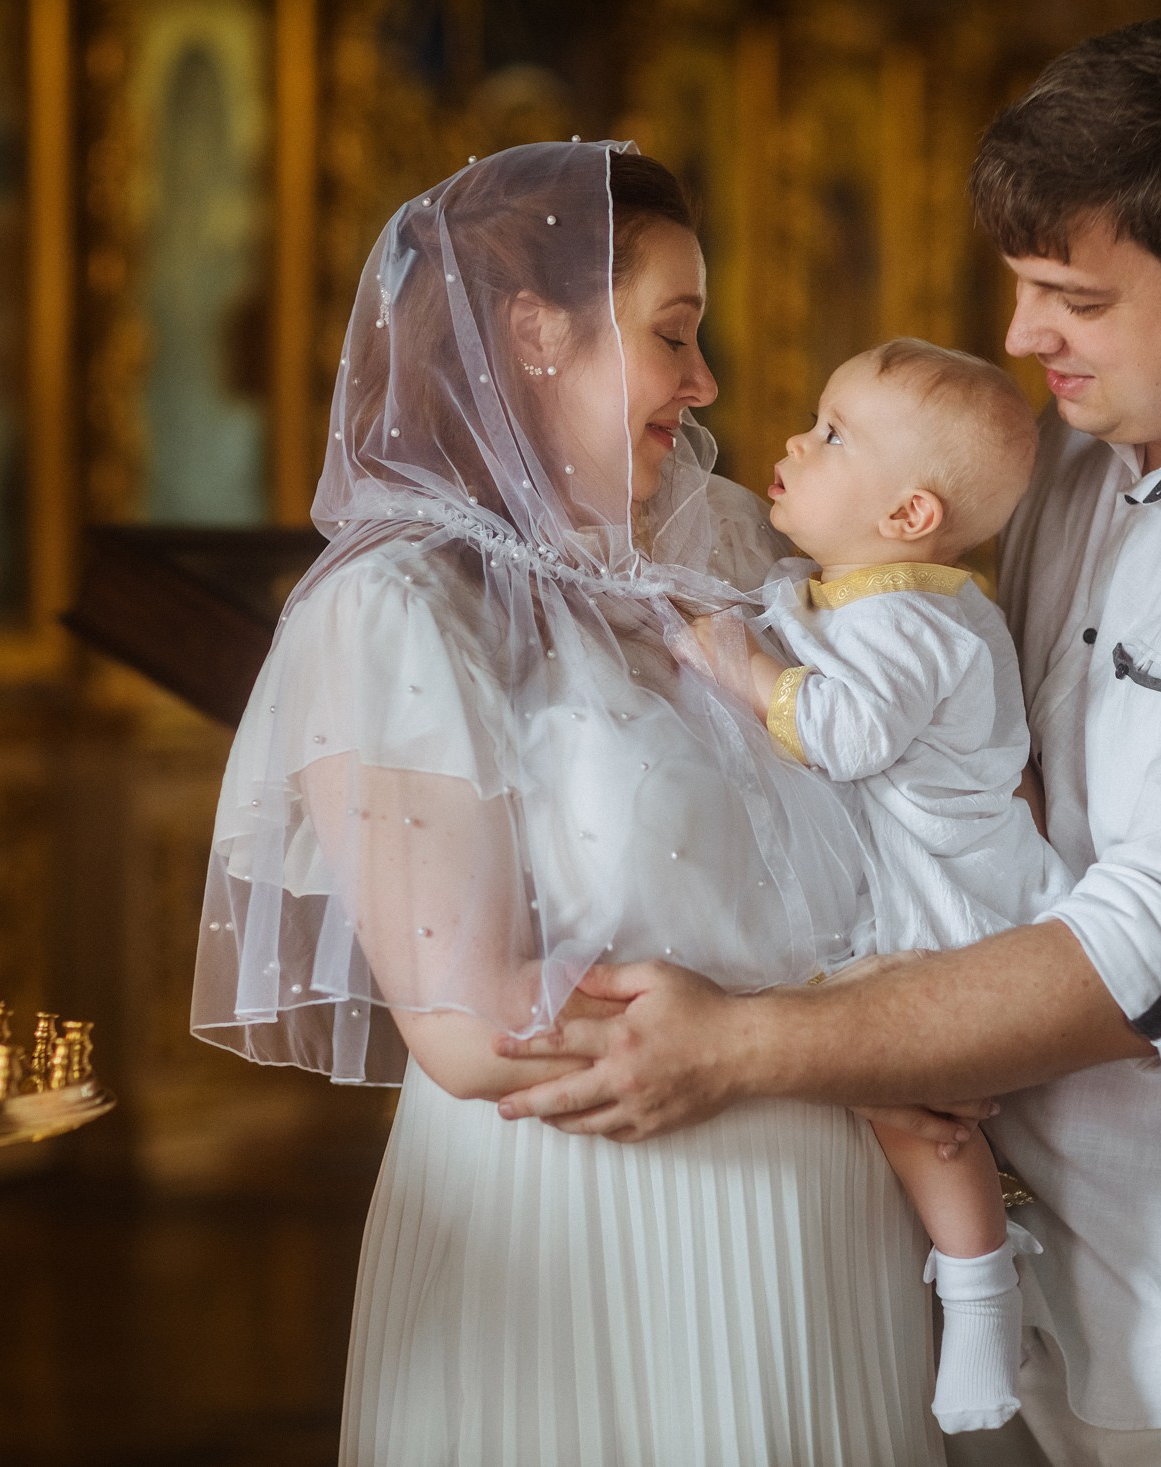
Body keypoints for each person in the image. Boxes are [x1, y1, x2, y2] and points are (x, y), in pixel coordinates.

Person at [496, 18, 1161, 1467]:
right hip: (1032, 1282)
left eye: (1072, 297)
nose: (1023, 334)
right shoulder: (1096, 454)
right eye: (1024, 285)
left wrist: (743, 1042)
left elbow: (1147, 955)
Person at [192, 142, 947, 1465]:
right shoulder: (394, 610)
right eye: (674, 335)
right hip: (598, 1228)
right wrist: (823, 1032)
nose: (705, 383)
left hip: (829, 1236)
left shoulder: (710, 553)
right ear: (537, 334)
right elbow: (478, 1023)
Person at [688, 338, 1067, 1434]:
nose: (799, 441)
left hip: (950, 909)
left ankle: (981, 1298)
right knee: (900, 1105)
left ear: (906, 515)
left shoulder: (912, 620)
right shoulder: (862, 593)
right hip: (913, 883)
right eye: (816, 418)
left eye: (835, 435)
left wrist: (738, 666)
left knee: (919, 1116)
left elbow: (843, 734)